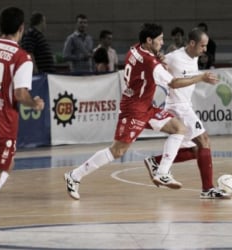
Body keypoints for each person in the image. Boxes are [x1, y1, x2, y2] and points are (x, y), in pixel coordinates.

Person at [64, 23, 217, 200]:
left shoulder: (135, 49)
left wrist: (157, 57)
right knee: (117, 151)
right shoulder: (150, 63)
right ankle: (74, 176)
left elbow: (149, 61)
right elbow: (173, 83)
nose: (162, 43)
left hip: (147, 107)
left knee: (179, 128)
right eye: (159, 40)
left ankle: (162, 172)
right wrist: (201, 77)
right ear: (149, 40)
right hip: (134, 110)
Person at [0, 7, 45, 243]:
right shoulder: (21, 57)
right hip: (0, 123)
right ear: (21, 28)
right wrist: (35, 103)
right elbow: (20, 94)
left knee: (6, 166)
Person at [144, 28, 227, 199]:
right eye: (202, 46)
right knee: (204, 140)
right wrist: (159, 59)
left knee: (197, 150)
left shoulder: (195, 56)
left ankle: (157, 161)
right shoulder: (174, 57)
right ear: (192, 43)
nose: (205, 49)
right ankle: (208, 189)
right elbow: (156, 64)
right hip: (177, 106)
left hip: (185, 105)